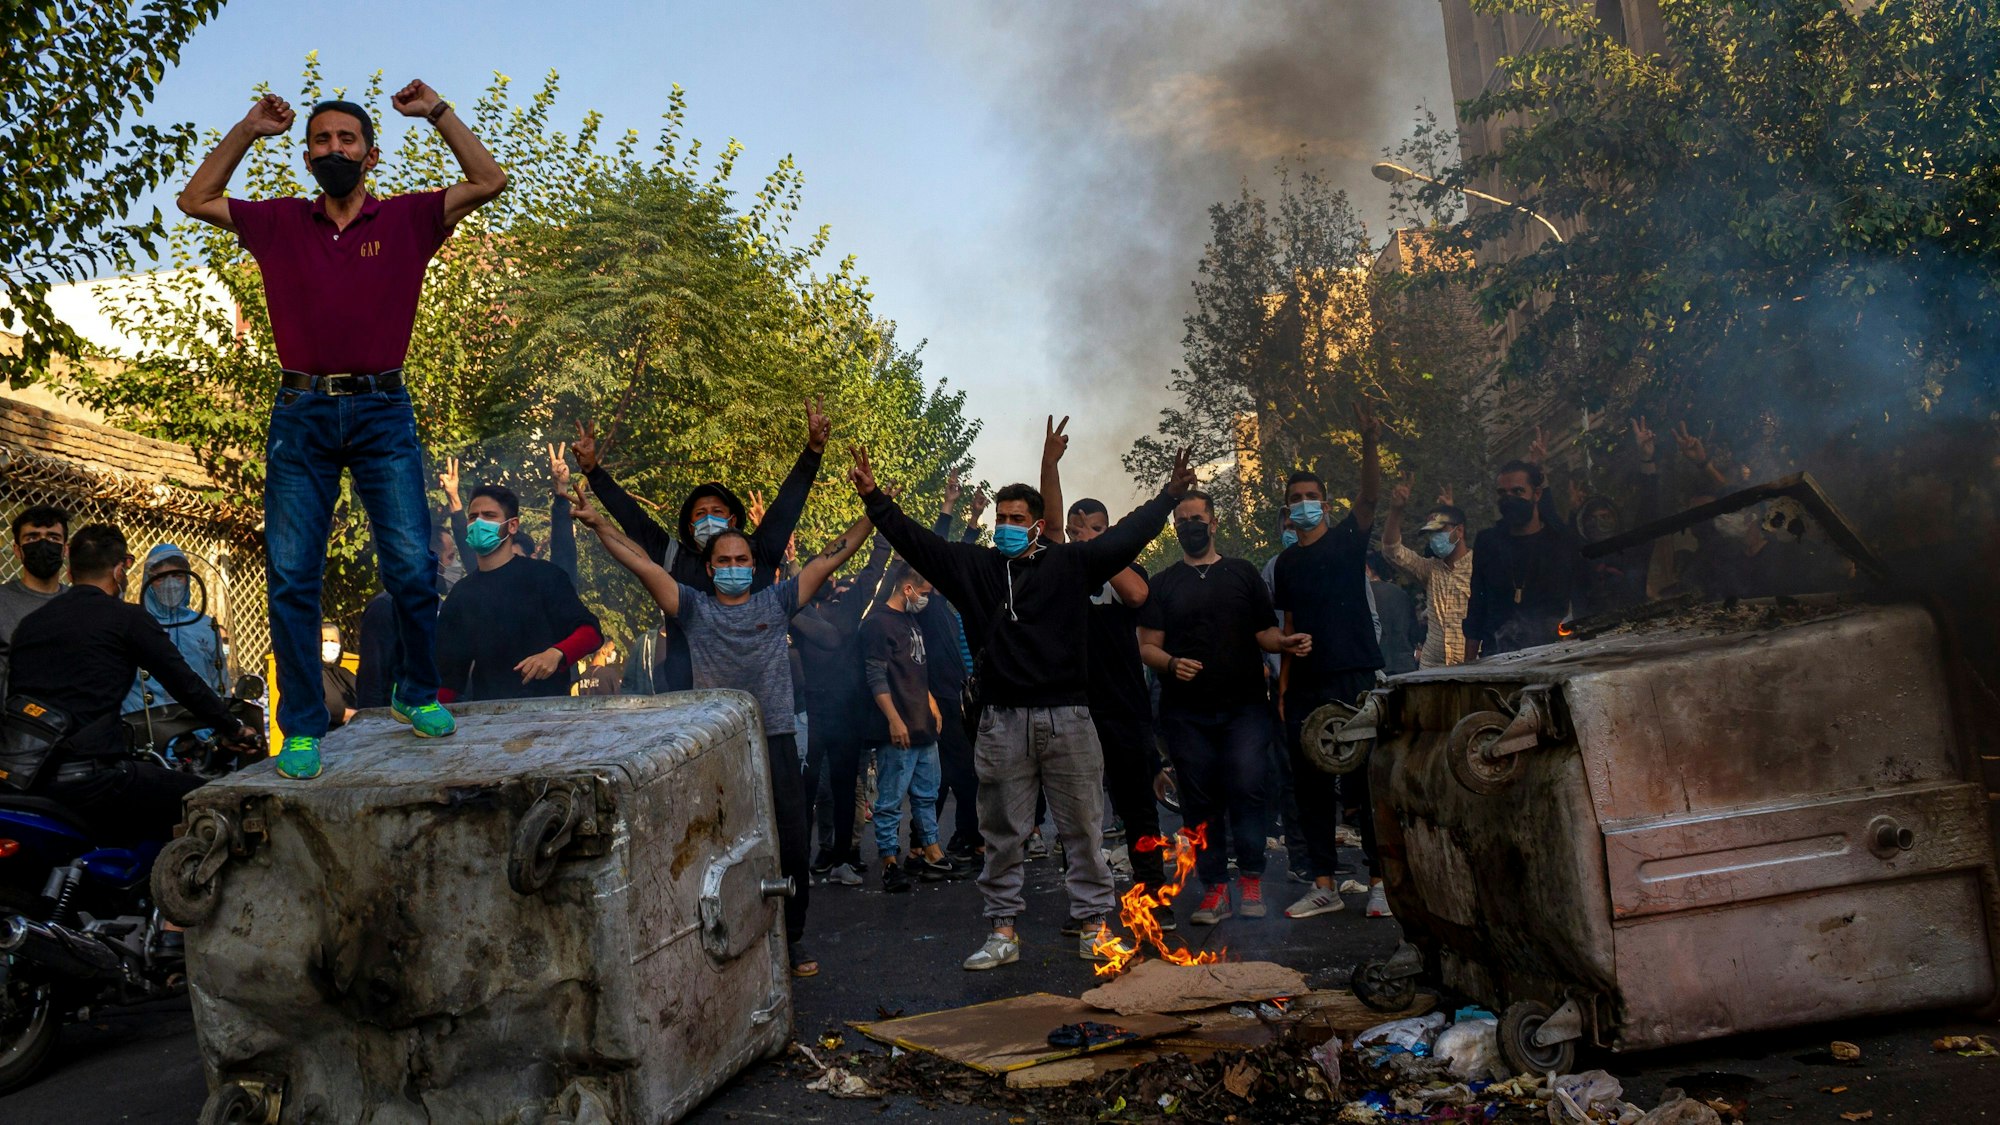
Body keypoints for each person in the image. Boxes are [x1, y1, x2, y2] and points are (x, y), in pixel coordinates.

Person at [177, 83, 507, 777]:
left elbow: (489, 179)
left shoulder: (410, 218)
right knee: (294, 575)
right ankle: (301, 726)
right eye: (322, 141)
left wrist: (439, 113)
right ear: (306, 155)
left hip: (384, 409)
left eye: (346, 140)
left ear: (371, 154)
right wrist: (246, 128)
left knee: (414, 566)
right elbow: (195, 198)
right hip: (302, 414)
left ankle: (414, 692)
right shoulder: (278, 223)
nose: (334, 149)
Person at [848, 440, 1196, 971]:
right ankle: (1002, 930)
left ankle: (1094, 925)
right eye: (1002, 518)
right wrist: (875, 499)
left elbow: (1126, 537)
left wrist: (1169, 496)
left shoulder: (1072, 564)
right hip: (1002, 720)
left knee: (1082, 826)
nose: (1006, 525)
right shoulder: (976, 568)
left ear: (1037, 525)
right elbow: (917, 542)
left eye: (1017, 518)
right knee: (1003, 832)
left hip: (1070, 719)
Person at [571, 483, 874, 980]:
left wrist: (874, 511)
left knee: (793, 847)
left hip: (774, 739)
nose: (733, 566)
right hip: (717, 744)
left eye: (741, 558)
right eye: (724, 560)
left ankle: (791, 939)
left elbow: (827, 560)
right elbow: (643, 564)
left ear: (753, 567)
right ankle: (722, 938)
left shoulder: (776, 604)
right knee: (717, 845)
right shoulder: (692, 607)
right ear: (709, 568)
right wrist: (599, 524)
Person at [6, 525, 259, 844]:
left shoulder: (30, 625)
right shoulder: (126, 618)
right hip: (96, 777)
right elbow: (185, 684)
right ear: (118, 571)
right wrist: (233, 729)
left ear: (70, 572)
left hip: (28, 776)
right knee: (211, 802)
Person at [569, 402, 831, 693]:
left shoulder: (759, 551)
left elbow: (787, 506)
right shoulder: (672, 556)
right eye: (700, 513)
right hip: (691, 697)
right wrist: (593, 471)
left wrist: (813, 452)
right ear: (691, 527)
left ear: (733, 520)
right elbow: (633, 518)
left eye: (717, 512)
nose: (709, 518)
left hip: (758, 696)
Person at [1138, 490, 1312, 927]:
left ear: (1213, 523)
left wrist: (1285, 642)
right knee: (1200, 800)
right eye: (1182, 520)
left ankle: (1251, 878)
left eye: (1196, 518)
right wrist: (1174, 663)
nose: (1189, 526)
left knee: (1248, 785)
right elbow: (1147, 648)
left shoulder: (1242, 573)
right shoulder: (1162, 583)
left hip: (1245, 708)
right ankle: (1214, 888)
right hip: (1186, 713)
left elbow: (1265, 632)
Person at [1273, 403, 1386, 920]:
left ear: (1324, 502)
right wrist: (1282, 692)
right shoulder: (1286, 564)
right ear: (1287, 510)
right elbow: (1290, 625)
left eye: (1311, 497)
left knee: (1365, 783)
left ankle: (1381, 881)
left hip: (1355, 675)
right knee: (1312, 785)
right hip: (1306, 686)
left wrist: (1368, 443)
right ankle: (1324, 883)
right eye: (1295, 499)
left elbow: (1370, 497)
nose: (1303, 505)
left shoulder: (1346, 541)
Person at [1063, 496, 1170, 902]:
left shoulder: (1126, 570)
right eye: (1076, 531)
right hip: (1074, 708)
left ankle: (1152, 892)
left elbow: (1138, 595)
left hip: (1124, 706)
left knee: (1138, 807)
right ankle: (1084, 904)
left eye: (1094, 529)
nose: (1082, 538)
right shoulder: (1063, 570)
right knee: (1077, 812)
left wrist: (1099, 547)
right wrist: (1077, 546)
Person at [436, 485, 603, 702]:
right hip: (488, 716)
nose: (479, 523)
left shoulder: (545, 577)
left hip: (549, 715)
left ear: (512, 525)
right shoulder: (460, 594)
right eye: (473, 517)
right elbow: (449, 678)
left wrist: (556, 654)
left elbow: (591, 633)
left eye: (489, 516)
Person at [792, 535, 892, 886]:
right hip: (810, 712)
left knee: (845, 785)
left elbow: (873, 571)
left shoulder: (850, 607)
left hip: (846, 712)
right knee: (805, 788)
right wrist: (785, 559)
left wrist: (881, 529)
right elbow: (786, 589)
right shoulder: (798, 611)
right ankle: (798, 860)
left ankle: (841, 860)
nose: (825, 579)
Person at [863, 563, 962, 892]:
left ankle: (932, 852)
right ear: (907, 588)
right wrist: (893, 718)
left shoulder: (911, 619)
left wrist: (931, 700)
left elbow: (915, 668)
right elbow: (876, 676)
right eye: (923, 593)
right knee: (890, 801)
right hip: (900, 728)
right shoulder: (878, 623)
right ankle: (890, 862)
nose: (926, 599)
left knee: (926, 794)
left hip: (923, 726)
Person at [1464, 460, 1587, 658]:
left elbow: (1581, 598)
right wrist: (1468, 663)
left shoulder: (1560, 542)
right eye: (1503, 494)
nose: (1509, 499)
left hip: (1552, 651)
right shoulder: (1488, 542)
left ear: (1536, 494)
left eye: (1518, 491)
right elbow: (1477, 604)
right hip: (1497, 652)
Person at [122, 545, 230, 717]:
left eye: (178, 576)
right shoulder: (133, 624)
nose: (170, 584)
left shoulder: (206, 626)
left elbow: (220, 683)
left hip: (199, 727)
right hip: (148, 728)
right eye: (160, 577)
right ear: (147, 582)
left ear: (188, 579)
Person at [1380, 482, 1475, 668]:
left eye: (1439, 531)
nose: (1434, 539)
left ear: (1460, 531)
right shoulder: (1430, 569)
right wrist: (1396, 511)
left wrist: (1451, 510)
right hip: (1432, 667)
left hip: (1474, 665)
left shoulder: (1480, 567)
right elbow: (1392, 550)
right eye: (1431, 534)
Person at [0, 505, 69, 691]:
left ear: (65, 549)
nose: (43, 544)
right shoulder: (3, 602)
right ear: (17, 550)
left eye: (53, 537)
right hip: (13, 716)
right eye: (32, 537)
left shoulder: (80, 604)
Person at [1369, 553, 1420, 677]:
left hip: (1378, 667)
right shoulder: (1401, 594)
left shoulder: (1363, 595)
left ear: (1367, 568)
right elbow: (1413, 631)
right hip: (1405, 665)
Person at [322, 622, 359, 731]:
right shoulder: (312, 675)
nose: (328, 645)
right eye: (324, 641)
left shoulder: (346, 674)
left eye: (333, 641)